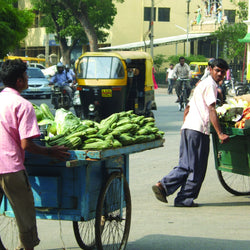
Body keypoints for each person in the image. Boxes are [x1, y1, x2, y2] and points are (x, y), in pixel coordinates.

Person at [0, 59, 70, 250]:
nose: (28, 77)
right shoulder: (23, 105)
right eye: (26, 75)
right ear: (19, 81)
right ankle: (27, 246)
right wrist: (50, 151)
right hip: (10, 169)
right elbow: (26, 144)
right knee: (25, 215)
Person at [152, 58, 230, 207]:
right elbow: (212, 109)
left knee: (185, 165)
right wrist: (220, 133)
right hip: (198, 130)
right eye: (217, 70)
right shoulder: (210, 85)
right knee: (197, 168)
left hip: (189, 128)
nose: (219, 74)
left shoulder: (201, 85)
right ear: (210, 69)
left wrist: (184, 127)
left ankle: (164, 186)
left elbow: (187, 108)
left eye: (222, 71)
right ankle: (182, 198)